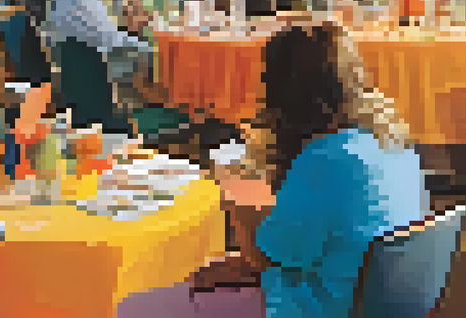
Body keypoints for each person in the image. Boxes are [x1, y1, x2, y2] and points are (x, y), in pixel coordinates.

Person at [117, 24, 426, 318]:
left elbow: (269, 254)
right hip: (380, 302)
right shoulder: (394, 141)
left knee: (136, 308)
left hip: (320, 306)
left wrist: (236, 193)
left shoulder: (325, 160)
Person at [45, 0, 157, 132]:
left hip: (82, 96)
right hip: (100, 104)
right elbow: (115, 43)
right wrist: (156, 51)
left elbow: (104, 35)